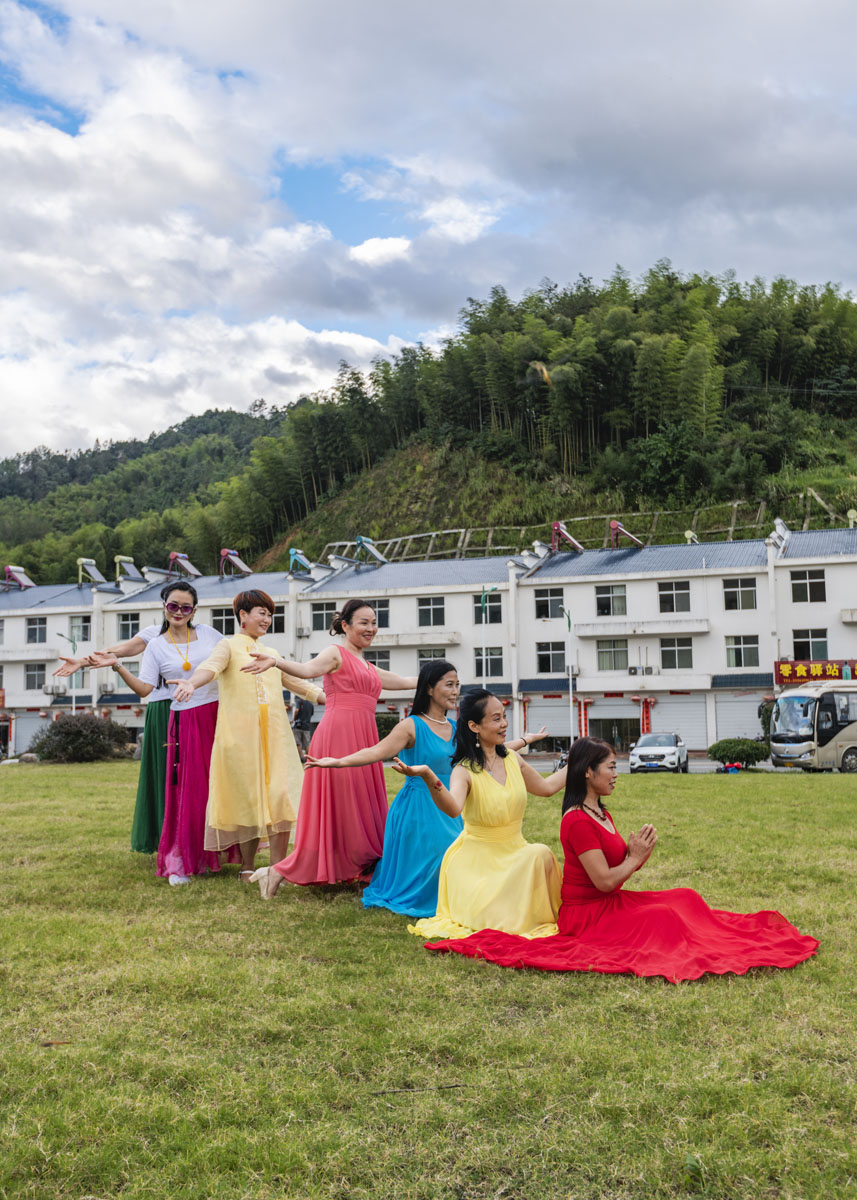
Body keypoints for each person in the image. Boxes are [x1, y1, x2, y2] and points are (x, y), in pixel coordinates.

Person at [426, 737, 820, 982]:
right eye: (611, 767)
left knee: (684, 897)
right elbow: (603, 882)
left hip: (609, 903)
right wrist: (634, 858)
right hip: (588, 916)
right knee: (664, 917)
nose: (617, 774)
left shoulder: (600, 810)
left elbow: (615, 874)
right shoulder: (577, 820)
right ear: (588, 773)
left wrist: (635, 857)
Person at [309, 660, 549, 917]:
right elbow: (377, 751)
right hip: (419, 808)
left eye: (457, 685)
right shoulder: (411, 726)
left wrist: (525, 740)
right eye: (449, 685)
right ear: (429, 689)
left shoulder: (456, 728)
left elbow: (491, 749)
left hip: (450, 803)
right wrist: (338, 761)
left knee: (464, 857)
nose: (455, 691)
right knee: (443, 855)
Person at [242, 598, 418, 894]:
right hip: (338, 737)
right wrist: (275, 662)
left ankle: (356, 867)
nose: (371, 628)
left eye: (374, 623)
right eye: (364, 622)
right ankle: (278, 871)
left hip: (364, 738)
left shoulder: (368, 666)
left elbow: (403, 681)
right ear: (345, 625)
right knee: (339, 805)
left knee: (358, 807)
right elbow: (307, 669)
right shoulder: (335, 653)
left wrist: (441, 677)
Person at [169, 590, 325, 880]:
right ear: (243, 615)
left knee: (281, 797)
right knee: (248, 801)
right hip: (240, 739)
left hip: (276, 738)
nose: (267, 619)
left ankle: (278, 869)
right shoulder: (228, 646)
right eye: (261, 613)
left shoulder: (273, 655)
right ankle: (248, 866)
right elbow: (210, 669)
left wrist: (335, 699)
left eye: (270, 615)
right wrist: (191, 683)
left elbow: (301, 685)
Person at [402, 689, 565, 940]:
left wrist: (579, 762)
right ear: (474, 726)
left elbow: (546, 788)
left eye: (504, 716)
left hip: (515, 853)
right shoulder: (463, 770)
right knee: (537, 855)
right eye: (496, 718)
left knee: (540, 854)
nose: (504, 724)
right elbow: (453, 808)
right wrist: (428, 775)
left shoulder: (512, 758)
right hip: (476, 865)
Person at [54, 621, 168, 853]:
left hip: (196, 708)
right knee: (163, 777)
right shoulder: (155, 633)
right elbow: (121, 650)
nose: (178, 611)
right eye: (172, 606)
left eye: (186, 607)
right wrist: (83, 662)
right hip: (163, 710)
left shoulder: (204, 635)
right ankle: (166, 841)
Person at [292, 694, 315, 761]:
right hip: (307, 726)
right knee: (307, 744)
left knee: (298, 743)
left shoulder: (300, 701)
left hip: (298, 726)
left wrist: (294, 719)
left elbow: (296, 710)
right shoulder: (311, 704)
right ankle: (308, 759)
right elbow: (312, 714)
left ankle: (302, 758)